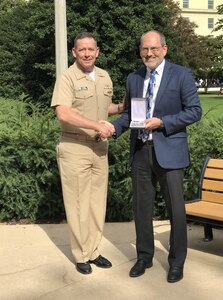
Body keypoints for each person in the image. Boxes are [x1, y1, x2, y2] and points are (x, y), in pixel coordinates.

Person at [112, 30, 202, 283]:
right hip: (141, 151)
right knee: (141, 209)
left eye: (153, 49)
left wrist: (163, 122)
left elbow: (195, 111)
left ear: (164, 49)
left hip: (170, 152)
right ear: (140, 51)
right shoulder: (134, 78)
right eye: (144, 49)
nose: (148, 54)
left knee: (176, 210)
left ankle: (176, 262)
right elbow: (130, 114)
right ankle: (144, 257)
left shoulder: (181, 75)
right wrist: (113, 128)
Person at [51, 32, 123, 275]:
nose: (87, 53)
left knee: (96, 204)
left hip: (99, 148)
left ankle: (93, 251)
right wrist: (96, 126)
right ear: (74, 52)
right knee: (78, 204)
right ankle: (81, 255)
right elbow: (63, 113)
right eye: (82, 49)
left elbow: (104, 108)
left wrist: (122, 107)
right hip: (75, 147)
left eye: (91, 49)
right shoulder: (68, 77)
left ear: (98, 51)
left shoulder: (104, 77)